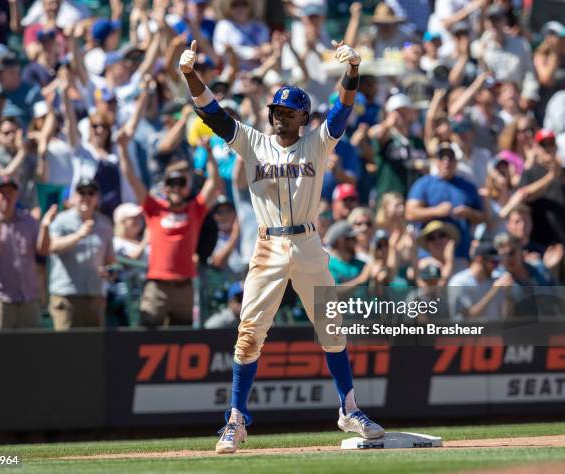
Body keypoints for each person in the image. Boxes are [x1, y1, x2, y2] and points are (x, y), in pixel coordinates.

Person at [179, 39, 385, 453]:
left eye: (287, 112)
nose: (279, 117)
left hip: (308, 243)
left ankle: (349, 408)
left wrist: (353, 71)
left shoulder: (317, 143)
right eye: (275, 111)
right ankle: (236, 421)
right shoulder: (254, 142)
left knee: (332, 329)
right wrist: (189, 74)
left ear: (303, 117)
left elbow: (343, 109)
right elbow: (213, 114)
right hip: (268, 245)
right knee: (249, 334)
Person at [117, 120, 221, 328]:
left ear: (187, 187)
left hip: (184, 287)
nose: (175, 187)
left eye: (180, 183)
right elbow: (131, 178)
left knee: (181, 340)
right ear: (164, 187)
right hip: (157, 286)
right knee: (146, 340)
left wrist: (209, 154)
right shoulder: (154, 208)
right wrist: (122, 148)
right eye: (170, 183)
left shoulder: (195, 209)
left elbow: (214, 185)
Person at [0, 175, 54, 331]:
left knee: (30, 353)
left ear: (17, 194)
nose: (6, 196)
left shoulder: (28, 221)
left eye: (10, 191)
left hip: (27, 300)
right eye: (2, 191)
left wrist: (44, 227)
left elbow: (43, 251)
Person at [47, 178, 116, 329]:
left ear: (97, 198)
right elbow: (51, 246)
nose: (86, 197)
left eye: (91, 193)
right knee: (67, 349)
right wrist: (78, 235)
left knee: (95, 349)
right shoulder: (61, 220)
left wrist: (109, 271)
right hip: (67, 295)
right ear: (74, 197)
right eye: (81, 192)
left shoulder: (105, 223)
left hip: (95, 295)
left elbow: (111, 260)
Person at [406, 142, 485, 259]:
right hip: (429, 255)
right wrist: (436, 211)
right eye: (442, 158)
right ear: (436, 161)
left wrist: (469, 213)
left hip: (460, 253)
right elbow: (410, 213)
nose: (446, 162)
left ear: (456, 162)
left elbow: (482, 217)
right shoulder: (424, 183)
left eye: (450, 158)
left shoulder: (468, 186)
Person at [448, 241, 502, 321]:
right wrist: (492, 292)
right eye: (494, 262)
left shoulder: (496, 279)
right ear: (479, 259)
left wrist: (507, 294)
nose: (496, 266)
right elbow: (467, 318)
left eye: (498, 262)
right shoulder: (459, 282)